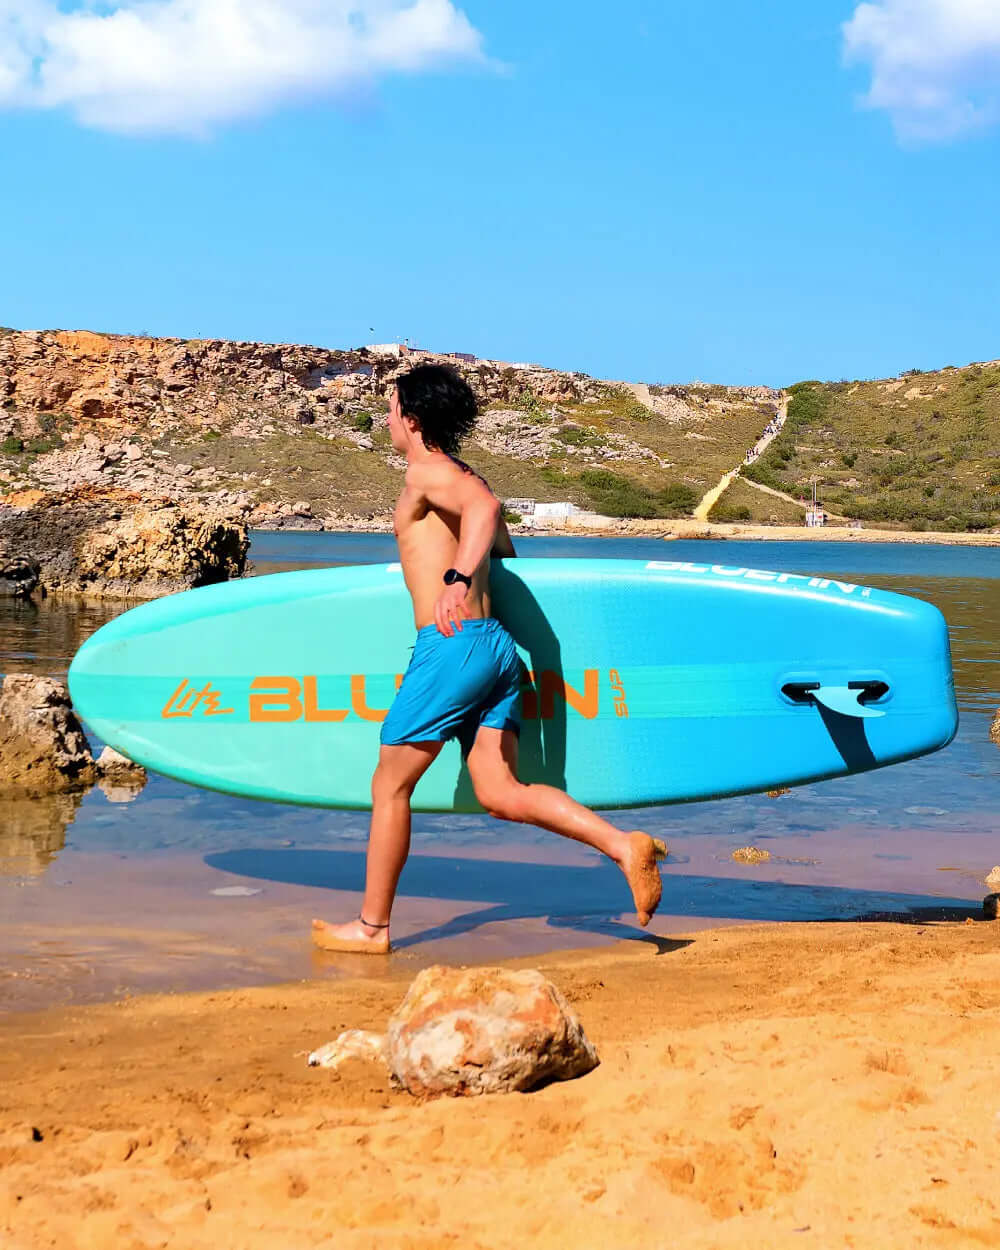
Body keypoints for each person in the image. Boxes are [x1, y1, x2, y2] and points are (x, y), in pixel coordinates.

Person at [312, 364, 665, 954]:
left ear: (412, 418)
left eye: (391, 407)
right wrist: (468, 573)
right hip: (496, 649)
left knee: (389, 785)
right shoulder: (459, 473)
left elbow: (486, 510)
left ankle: (372, 928)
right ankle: (624, 846)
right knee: (500, 791)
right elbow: (502, 545)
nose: (387, 418)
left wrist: (454, 578)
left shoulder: (428, 473)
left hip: (451, 645)